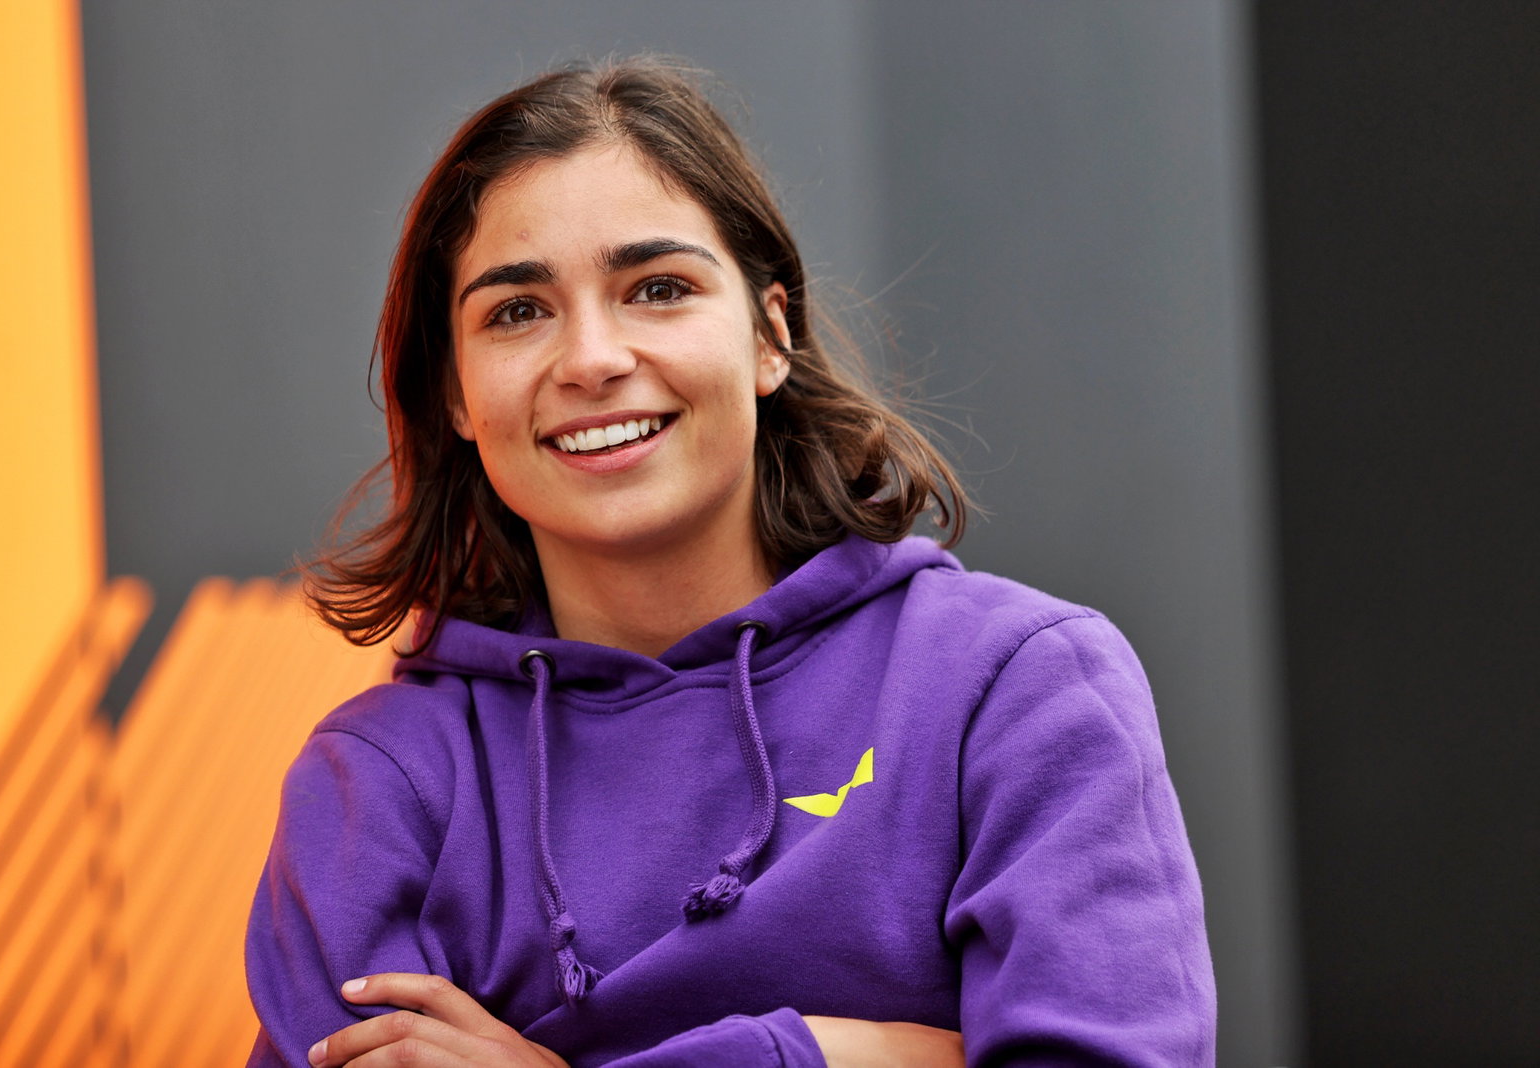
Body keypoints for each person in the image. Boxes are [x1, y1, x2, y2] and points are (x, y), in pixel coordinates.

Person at [244, 57, 1216, 1068]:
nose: (592, 359)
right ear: (455, 393)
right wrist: (877, 1056)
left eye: (657, 289)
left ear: (769, 337)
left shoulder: (1015, 685)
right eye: (518, 311)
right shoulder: (376, 784)